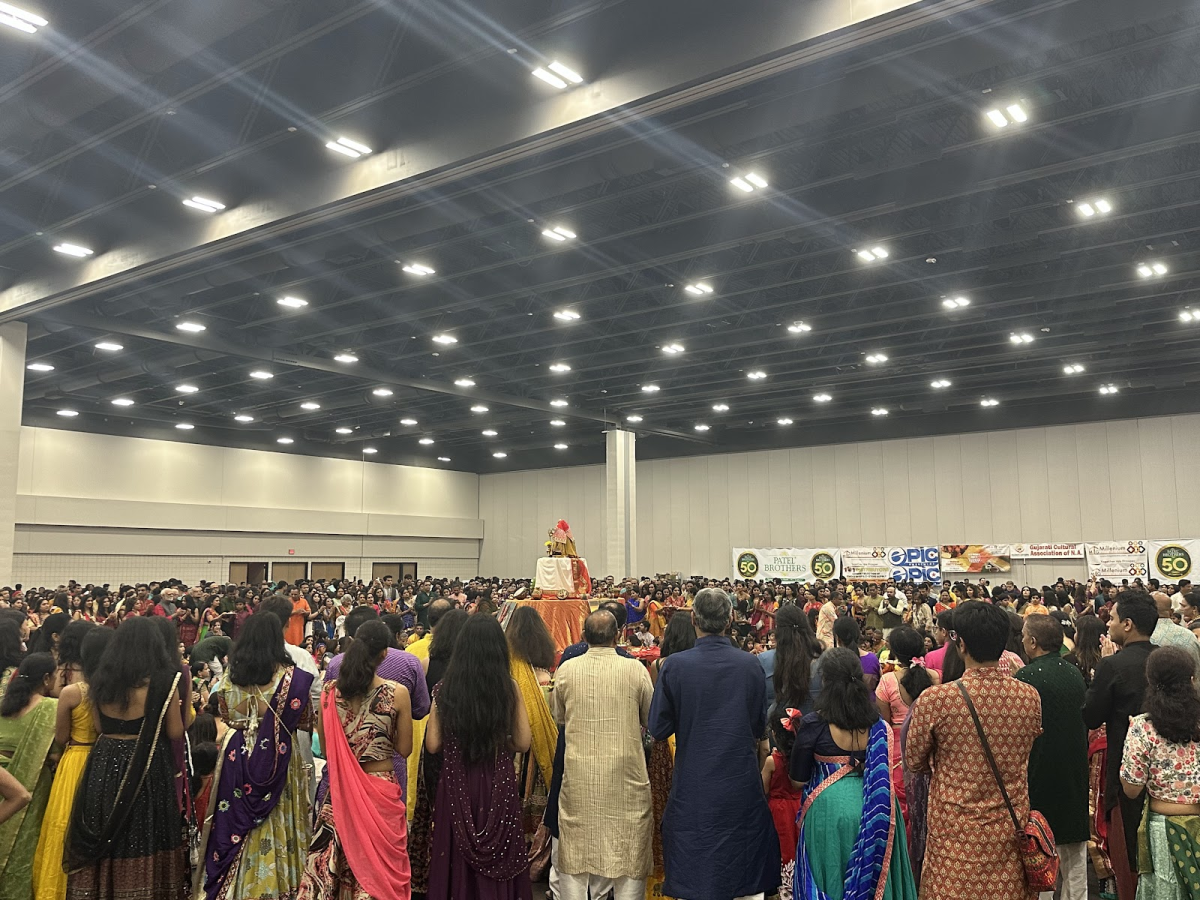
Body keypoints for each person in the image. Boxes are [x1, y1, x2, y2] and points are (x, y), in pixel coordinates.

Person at [905, 600, 1044, 900]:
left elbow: (914, 761)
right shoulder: (1029, 697)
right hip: (1010, 829)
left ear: (962, 644)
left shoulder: (937, 700)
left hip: (953, 838)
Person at [648, 588, 779, 900]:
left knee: (696, 868)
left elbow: (657, 727)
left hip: (694, 783)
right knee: (743, 868)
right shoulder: (750, 665)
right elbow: (759, 726)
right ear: (731, 619)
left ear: (694, 619)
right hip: (739, 782)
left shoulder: (675, 666)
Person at [196, 612, 314, 900]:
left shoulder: (230, 676)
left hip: (238, 755)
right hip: (280, 755)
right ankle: (278, 884)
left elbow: (224, 713)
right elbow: (306, 720)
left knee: (235, 815)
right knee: (278, 814)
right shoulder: (292, 678)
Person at [66, 617, 186, 900]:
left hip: (104, 763)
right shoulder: (164, 682)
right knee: (142, 834)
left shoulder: (100, 681)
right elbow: (174, 731)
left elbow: (98, 728)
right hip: (146, 766)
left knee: (105, 829)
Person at [788, 648, 917, 899]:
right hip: (878, 810)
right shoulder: (877, 724)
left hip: (829, 816)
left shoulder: (814, 724)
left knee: (831, 880)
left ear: (825, 681)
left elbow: (797, 780)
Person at [299, 620, 413, 900]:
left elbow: (325, 751)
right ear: (384, 653)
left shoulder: (329, 692)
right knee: (379, 865)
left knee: (338, 860)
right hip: (380, 788)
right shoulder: (396, 693)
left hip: (340, 792)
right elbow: (405, 749)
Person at [424, 614, 533, 900]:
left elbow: (433, 744)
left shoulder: (445, 688)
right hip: (498, 781)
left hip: (456, 782)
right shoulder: (509, 688)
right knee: (499, 854)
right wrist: (500, 741)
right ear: (499, 649)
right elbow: (523, 742)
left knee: (455, 854)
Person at [553, 610, 654, 900]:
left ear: (583, 638)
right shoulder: (635, 669)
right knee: (630, 854)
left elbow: (560, 717)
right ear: (619, 636)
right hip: (627, 777)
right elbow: (650, 718)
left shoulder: (567, 670)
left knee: (575, 854)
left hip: (580, 777)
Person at [1083, 590, 1158, 900]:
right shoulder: (1166, 658)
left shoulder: (1112, 666)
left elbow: (1091, 716)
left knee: (1129, 851)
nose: (1108, 624)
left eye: (1111, 618)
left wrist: (1101, 670)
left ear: (1127, 624)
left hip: (1125, 770)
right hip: (1170, 771)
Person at [1015, 614, 1090, 900]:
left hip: (1040, 772)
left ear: (1033, 642)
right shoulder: (1074, 673)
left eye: (1024, 636)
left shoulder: (1025, 677)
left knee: (1041, 854)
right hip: (1074, 771)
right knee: (1075, 857)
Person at [34, 628, 111, 900]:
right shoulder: (110, 689)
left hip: (74, 759)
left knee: (62, 822)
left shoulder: (70, 692)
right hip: (102, 759)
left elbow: (62, 736)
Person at [1119, 646, 1200, 900]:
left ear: (1151, 682)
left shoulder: (1143, 727)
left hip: (1164, 829)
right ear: (1191, 680)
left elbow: (1131, 789)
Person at [0, 652, 60, 900]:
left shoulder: (4, 705)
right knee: (25, 846)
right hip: (31, 783)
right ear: (46, 678)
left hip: (2, 781)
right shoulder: (50, 708)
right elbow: (56, 755)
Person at [761, 711, 803, 900]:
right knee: (798, 846)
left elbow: (763, 787)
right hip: (799, 808)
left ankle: (782, 890)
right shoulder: (801, 758)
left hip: (778, 812)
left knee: (782, 848)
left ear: (775, 735)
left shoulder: (772, 761)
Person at [1150, 591, 1200, 674]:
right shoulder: (1188, 635)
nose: (1180, 609)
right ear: (1171, 612)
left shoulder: (1143, 634)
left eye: (1183, 606)